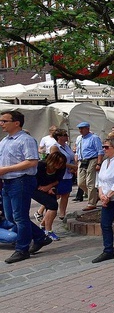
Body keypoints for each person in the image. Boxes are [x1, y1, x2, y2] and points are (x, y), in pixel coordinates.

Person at [1, 110, 52, 264]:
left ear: (16, 123)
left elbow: (32, 162)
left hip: (21, 181)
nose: (1, 123)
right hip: (8, 182)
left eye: (4, 121)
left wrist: (6, 170)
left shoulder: (26, 140)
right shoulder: (5, 141)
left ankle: (22, 249)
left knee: (20, 217)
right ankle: (40, 237)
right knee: (11, 217)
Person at [31, 152, 66, 240]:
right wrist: (42, 188)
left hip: (50, 187)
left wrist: (50, 187)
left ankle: (43, 226)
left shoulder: (61, 168)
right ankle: (48, 230)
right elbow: (34, 179)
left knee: (52, 206)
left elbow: (58, 179)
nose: (60, 165)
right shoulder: (41, 165)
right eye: (58, 162)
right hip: (35, 189)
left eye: (62, 163)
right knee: (53, 205)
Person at [48, 129, 76, 226]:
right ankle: (41, 211)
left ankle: (62, 213)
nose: (67, 136)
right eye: (64, 135)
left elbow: (72, 157)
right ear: (59, 137)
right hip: (60, 174)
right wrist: (71, 166)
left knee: (66, 194)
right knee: (56, 195)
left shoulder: (67, 146)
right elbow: (55, 161)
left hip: (68, 174)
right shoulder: (55, 147)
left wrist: (73, 166)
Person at [75, 121, 103, 211]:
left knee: (90, 182)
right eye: (79, 129)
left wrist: (98, 163)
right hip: (82, 161)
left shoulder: (94, 138)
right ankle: (95, 196)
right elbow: (77, 150)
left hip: (92, 159)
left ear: (88, 128)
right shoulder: (79, 138)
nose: (80, 130)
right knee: (80, 183)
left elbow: (100, 151)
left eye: (82, 128)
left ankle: (91, 203)